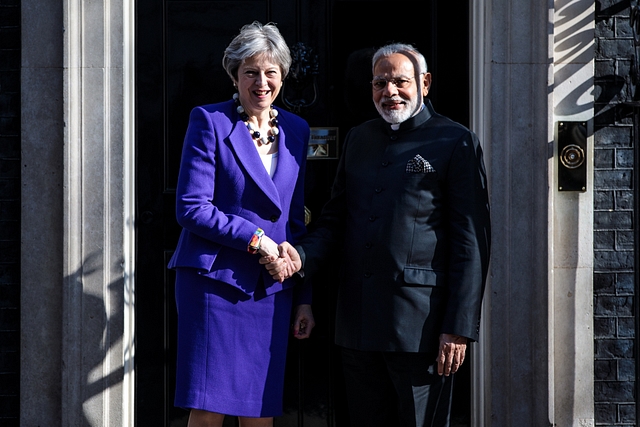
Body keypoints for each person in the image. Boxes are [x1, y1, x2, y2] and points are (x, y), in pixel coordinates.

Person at [263, 43, 491, 427]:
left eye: (400, 81)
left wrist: (459, 326)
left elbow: (471, 242)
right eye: (380, 83)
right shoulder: (359, 138)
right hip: (358, 323)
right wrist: (301, 256)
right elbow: (336, 220)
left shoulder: (455, 141)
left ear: (425, 83)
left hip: (422, 328)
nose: (390, 91)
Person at [167, 21, 315, 427]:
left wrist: (305, 296)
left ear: (283, 77)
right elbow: (191, 207)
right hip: (214, 283)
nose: (261, 82)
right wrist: (257, 240)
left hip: (271, 287)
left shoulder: (298, 131)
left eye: (271, 72)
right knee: (208, 408)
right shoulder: (210, 122)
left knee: (259, 410)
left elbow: (296, 220)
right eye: (251, 72)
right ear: (234, 76)